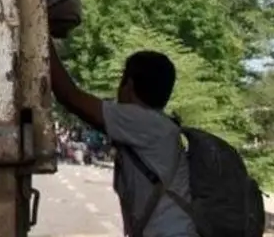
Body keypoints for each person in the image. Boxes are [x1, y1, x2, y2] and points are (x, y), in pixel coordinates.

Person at [49, 44, 196, 236]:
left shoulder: (140, 121)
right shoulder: (158, 126)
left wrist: (41, 34)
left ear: (129, 85)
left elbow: (69, 96)